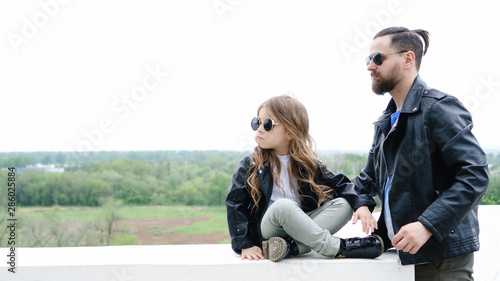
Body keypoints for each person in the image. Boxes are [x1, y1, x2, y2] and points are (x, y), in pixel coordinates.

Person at [353, 26, 489, 280]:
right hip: (404, 256)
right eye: (368, 59)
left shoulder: (438, 109)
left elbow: (475, 173)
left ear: (408, 59)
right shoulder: (386, 122)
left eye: (378, 58)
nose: (370, 66)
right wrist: (360, 202)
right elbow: (367, 179)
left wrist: (428, 224)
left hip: (441, 259)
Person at [226, 95, 383, 262]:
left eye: (267, 124)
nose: (259, 129)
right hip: (269, 229)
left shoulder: (308, 163)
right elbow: (236, 204)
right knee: (283, 207)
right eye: (257, 122)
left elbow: (341, 184)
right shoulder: (250, 163)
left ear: (290, 132)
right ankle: (335, 247)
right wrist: (244, 243)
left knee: (344, 205)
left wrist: (361, 205)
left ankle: (289, 247)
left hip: (301, 227)